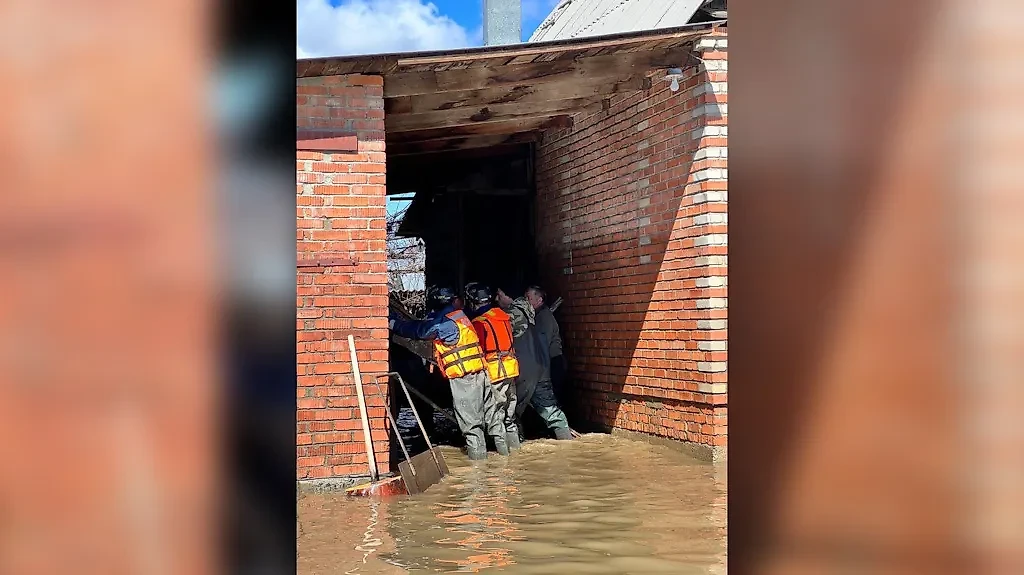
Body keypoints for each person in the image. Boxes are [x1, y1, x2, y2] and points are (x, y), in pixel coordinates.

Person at [389, 286, 508, 460]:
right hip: (481, 373)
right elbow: (425, 324)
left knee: (471, 426)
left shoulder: (444, 323)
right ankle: (506, 461)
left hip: (465, 378)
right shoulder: (458, 315)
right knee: (493, 420)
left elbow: (420, 332)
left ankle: (479, 473)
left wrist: (393, 323)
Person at [495, 285, 572, 441]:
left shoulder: (511, 315)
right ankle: (567, 445)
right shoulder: (533, 313)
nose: (496, 299)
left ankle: (515, 454)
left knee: (510, 413)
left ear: (509, 297)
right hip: (542, 368)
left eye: (500, 295)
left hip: (523, 371)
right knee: (553, 413)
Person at [464, 282, 522, 451]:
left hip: (495, 372)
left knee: (495, 416)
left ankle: (503, 458)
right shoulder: (503, 315)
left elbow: (478, 350)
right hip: (511, 368)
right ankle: (516, 454)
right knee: (508, 417)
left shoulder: (479, 323)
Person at [526, 286, 568, 406]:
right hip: (548, 362)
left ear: (539, 300)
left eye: (528, 298)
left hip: (552, 362)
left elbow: (542, 344)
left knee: (552, 401)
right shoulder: (538, 316)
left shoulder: (544, 317)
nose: (525, 302)